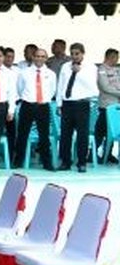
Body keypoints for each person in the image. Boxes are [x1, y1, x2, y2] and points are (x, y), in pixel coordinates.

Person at [56, 43, 98, 172]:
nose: (74, 56)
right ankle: (65, 161)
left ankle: (81, 162)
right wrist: (59, 104)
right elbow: (61, 86)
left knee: (82, 134)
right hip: (67, 104)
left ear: (82, 53)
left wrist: (79, 73)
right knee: (65, 134)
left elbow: (93, 89)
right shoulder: (65, 66)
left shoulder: (90, 67)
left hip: (82, 103)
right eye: (72, 54)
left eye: (77, 54)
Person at [15, 48, 56, 170]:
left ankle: (46, 162)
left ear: (46, 59)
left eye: (42, 56)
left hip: (43, 106)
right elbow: (20, 88)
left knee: (44, 135)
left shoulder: (51, 74)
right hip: (28, 104)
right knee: (22, 134)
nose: (39, 58)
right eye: (37, 56)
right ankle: (18, 161)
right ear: (33, 57)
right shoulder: (24, 72)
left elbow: (52, 90)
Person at [97, 48, 120, 164]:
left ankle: (109, 153)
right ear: (109, 57)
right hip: (106, 105)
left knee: (111, 131)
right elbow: (105, 87)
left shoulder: (116, 70)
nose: (117, 60)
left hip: (116, 106)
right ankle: (95, 154)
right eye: (116, 57)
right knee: (101, 131)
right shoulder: (101, 70)